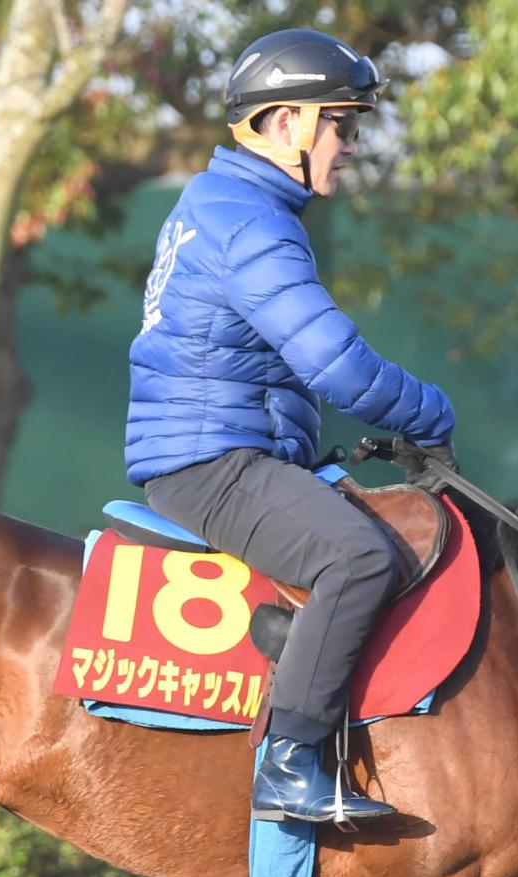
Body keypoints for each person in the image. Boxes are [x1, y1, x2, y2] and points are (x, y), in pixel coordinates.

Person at [123, 28, 457, 824]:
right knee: (356, 557)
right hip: (214, 464)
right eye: (341, 125)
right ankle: (289, 765)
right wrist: (431, 414)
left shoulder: (231, 203)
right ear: (285, 126)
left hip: (228, 453)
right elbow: (335, 366)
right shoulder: (250, 222)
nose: (349, 146)